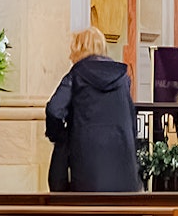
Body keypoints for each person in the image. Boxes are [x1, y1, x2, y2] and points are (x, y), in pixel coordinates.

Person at [45, 27, 140, 192]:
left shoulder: (77, 74)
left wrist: (61, 136)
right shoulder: (122, 77)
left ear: (79, 49)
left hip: (87, 167)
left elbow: (54, 109)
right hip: (122, 169)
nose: (70, 56)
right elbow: (131, 121)